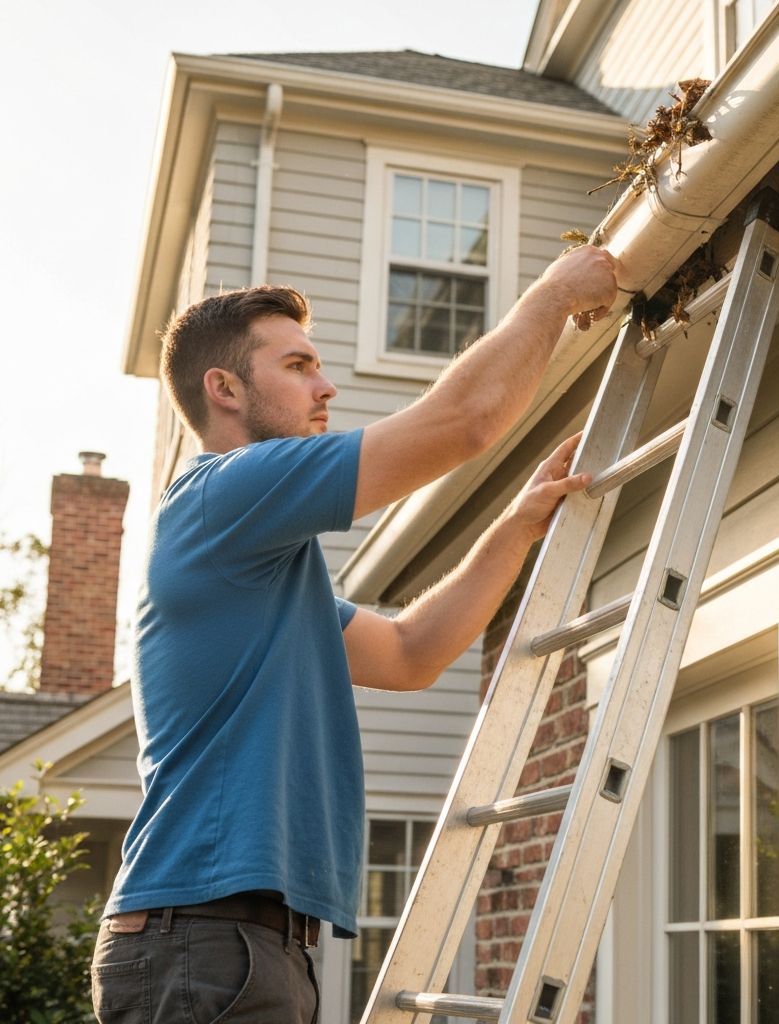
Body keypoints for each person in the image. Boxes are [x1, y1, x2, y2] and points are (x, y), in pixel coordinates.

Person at [90, 244, 620, 1024]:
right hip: (204, 945)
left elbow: (412, 653)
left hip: (238, 949)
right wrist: (553, 295)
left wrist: (515, 528)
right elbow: (463, 423)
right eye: (299, 365)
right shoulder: (219, 494)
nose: (326, 385)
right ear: (224, 388)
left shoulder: (264, 572)